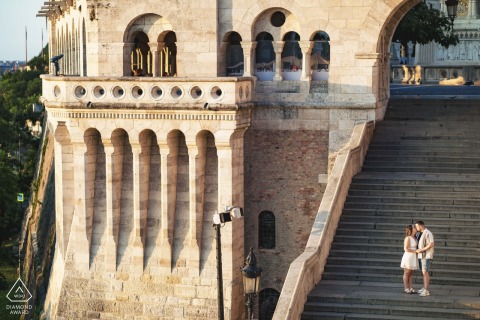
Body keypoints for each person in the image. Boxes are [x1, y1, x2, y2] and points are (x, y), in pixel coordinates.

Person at [415, 221, 435, 297]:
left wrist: (421, 250)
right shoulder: (421, 233)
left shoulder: (428, 233)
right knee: (423, 272)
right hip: (422, 255)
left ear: (420, 226)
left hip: (426, 256)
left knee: (425, 272)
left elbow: (431, 244)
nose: (416, 228)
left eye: (417, 226)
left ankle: (426, 290)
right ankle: (424, 288)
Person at [400, 224, 418, 293]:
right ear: (411, 229)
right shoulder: (408, 238)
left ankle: (411, 287)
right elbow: (406, 249)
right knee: (406, 273)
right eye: (414, 227)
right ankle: (406, 288)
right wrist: (415, 251)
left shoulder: (415, 237)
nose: (415, 228)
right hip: (408, 256)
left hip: (413, 256)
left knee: (411, 273)